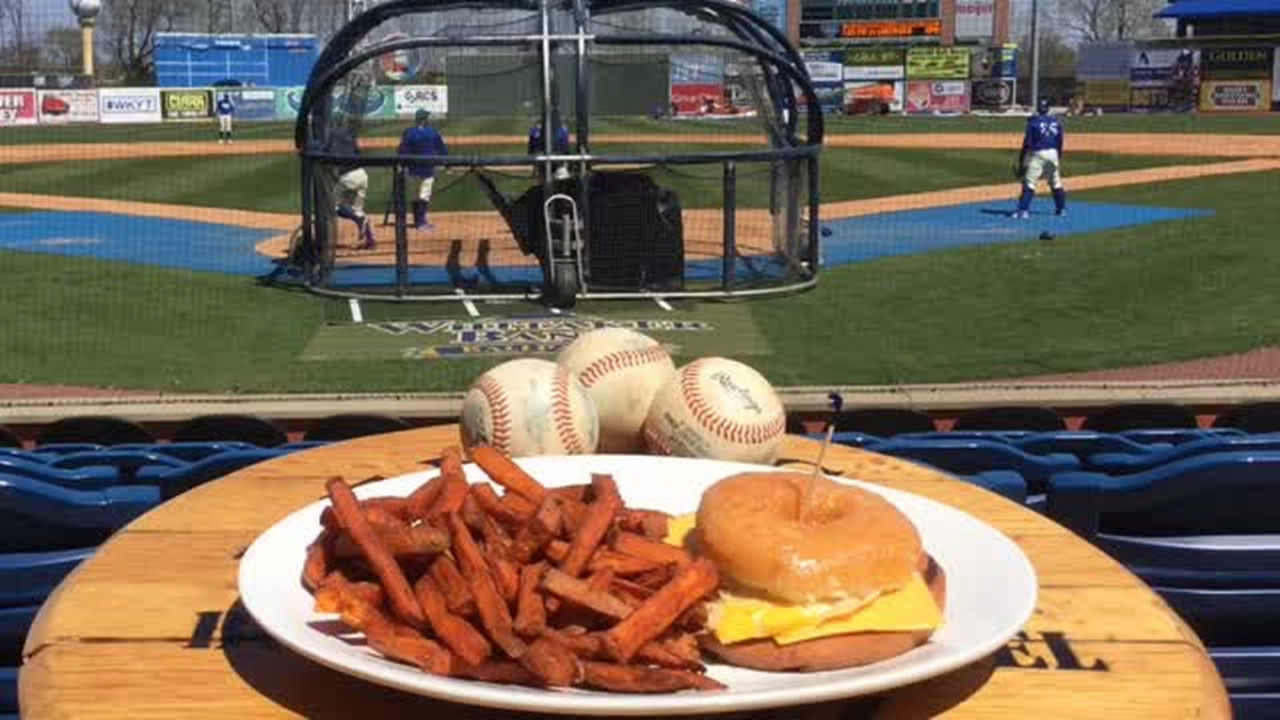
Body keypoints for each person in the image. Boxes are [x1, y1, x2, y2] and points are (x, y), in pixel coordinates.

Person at [1013, 98, 1066, 219]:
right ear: (1048, 108)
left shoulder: (1033, 123)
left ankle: (1023, 210)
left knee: (1030, 182)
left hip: (1039, 153)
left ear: (1038, 108)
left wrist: (1022, 162)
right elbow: (1060, 141)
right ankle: (1061, 209)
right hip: (1053, 153)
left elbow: (1027, 145)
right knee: (1056, 182)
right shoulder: (1056, 121)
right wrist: (1058, 157)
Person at [325, 125, 375, 250]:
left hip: (348, 177)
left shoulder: (330, 137)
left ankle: (358, 220)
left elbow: (327, 158)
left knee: (333, 206)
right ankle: (370, 241)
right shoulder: (349, 136)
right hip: (362, 175)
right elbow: (357, 152)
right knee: (358, 210)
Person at [397, 108, 448, 230]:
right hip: (427, 169)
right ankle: (421, 222)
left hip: (412, 169)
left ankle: (417, 221)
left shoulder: (408, 132)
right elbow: (441, 149)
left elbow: (402, 150)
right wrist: (446, 163)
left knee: (414, 195)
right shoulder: (432, 132)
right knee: (424, 195)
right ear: (425, 120)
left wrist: (401, 164)